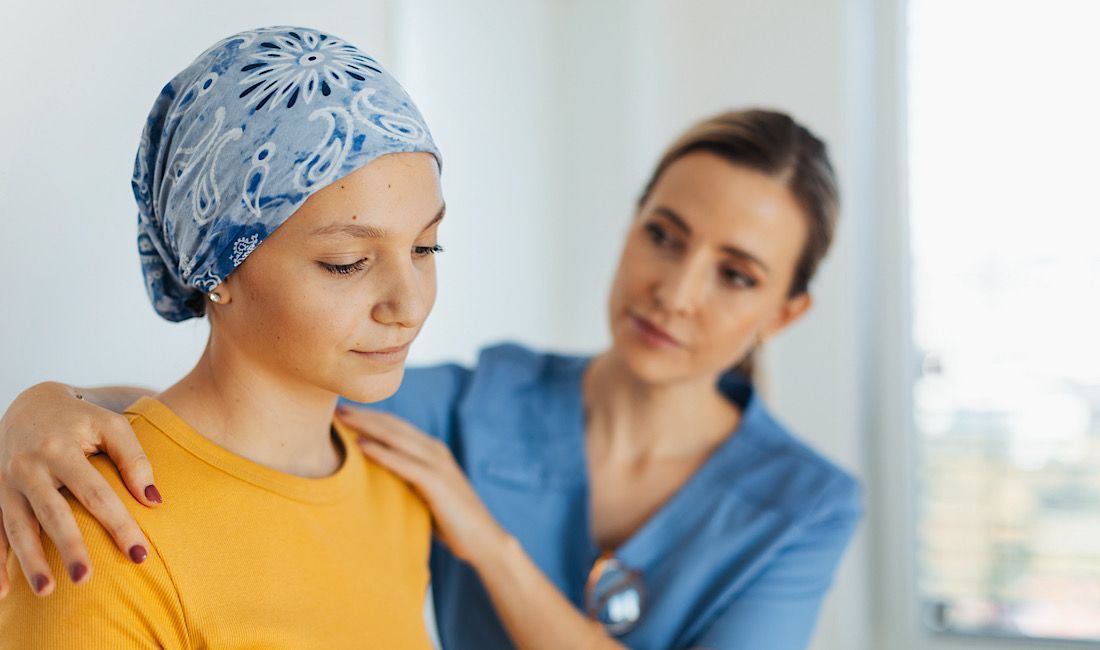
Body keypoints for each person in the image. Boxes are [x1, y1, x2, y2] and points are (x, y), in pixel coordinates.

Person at [1, 109, 863, 649]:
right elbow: (250, 405)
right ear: (633, 223)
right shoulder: (466, 404)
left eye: (737, 274)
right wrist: (45, 407)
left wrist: (488, 545)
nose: (674, 293)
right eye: (665, 235)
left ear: (784, 312)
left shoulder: (807, 502)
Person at [0, 25, 447, 648]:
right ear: (219, 269)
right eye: (346, 261)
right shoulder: (99, 526)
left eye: (426, 246)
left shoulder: (397, 491)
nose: (411, 303)